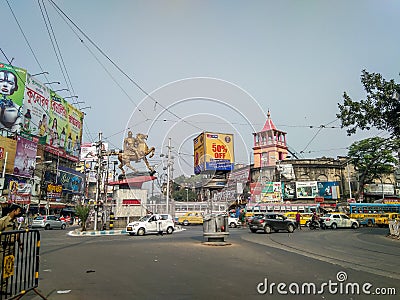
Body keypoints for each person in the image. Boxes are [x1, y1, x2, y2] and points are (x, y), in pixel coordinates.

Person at [0, 204, 23, 295]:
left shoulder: (15, 221)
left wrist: (20, 243)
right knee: (1, 267)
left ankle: (3, 289)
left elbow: (16, 233)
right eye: (19, 210)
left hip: (11, 247)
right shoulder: (3, 221)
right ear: (14, 211)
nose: (20, 212)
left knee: (7, 269)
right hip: (2, 247)